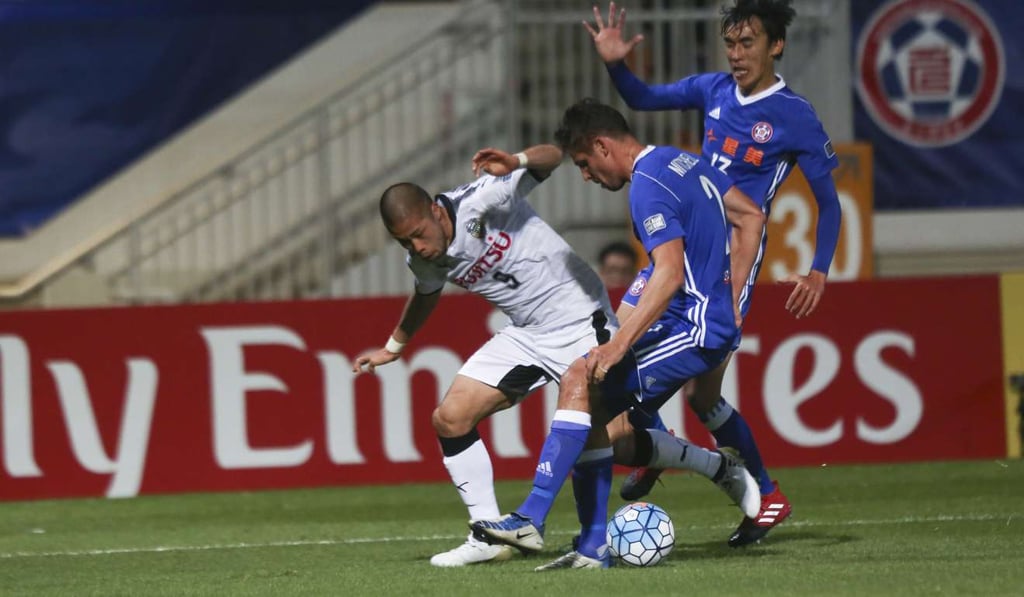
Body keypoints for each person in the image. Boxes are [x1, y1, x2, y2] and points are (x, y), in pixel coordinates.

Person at [352, 142, 749, 567]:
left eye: (417, 233)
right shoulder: (424, 259)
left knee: (618, 442)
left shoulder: (482, 198)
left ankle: (714, 465)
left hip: (582, 321)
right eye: (403, 241)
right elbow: (425, 294)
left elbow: (554, 156)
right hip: (527, 334)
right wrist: (394, 347)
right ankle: (489, 535)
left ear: (434, 210)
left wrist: (517, 161)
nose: (416, 246)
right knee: (450, 418)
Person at [585, 0, 842, 546]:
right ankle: (666, 447)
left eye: (747, 43)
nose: (736, 54)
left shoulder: (795, 115)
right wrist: (615, 64)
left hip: (730, 260)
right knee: (620, 335)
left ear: (776, 46)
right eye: (730, 44)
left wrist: (818, 271)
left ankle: (753, 489)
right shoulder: (713, 90)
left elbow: (829, 202)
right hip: (683, 242)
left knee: (701, 394)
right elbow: (641, 98)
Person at [472, 99, 766, 570]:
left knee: (578, 380)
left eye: (585, 165)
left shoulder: (646, 186)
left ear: (602, 145)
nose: (587, 176)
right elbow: (750, 215)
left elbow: (669, 274)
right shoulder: (681, 159)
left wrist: (619, 342)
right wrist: (730, 297)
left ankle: (532, 518)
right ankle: (592, 547)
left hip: (692, 327)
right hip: (702, 321)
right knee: (594, 414)